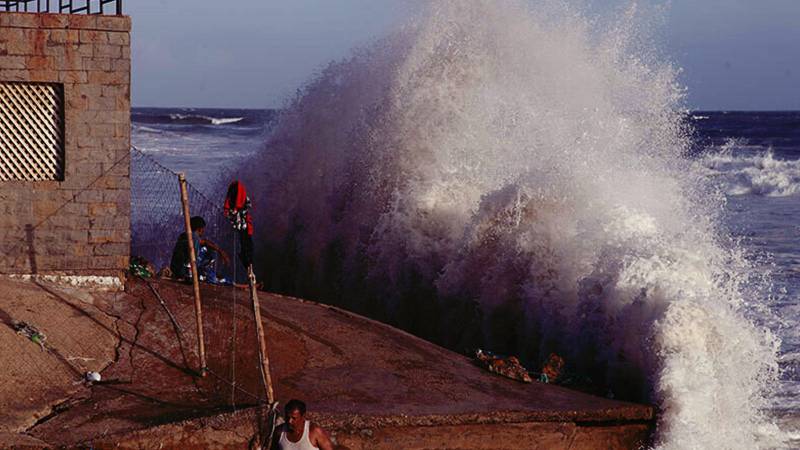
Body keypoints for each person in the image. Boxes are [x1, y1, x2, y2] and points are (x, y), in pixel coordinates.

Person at [169, 216, 230, 282]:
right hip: (184, 271)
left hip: (176, 269)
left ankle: (204, 274)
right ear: (200, 229)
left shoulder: (186, 236)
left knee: (207, 247)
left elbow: (204, 242)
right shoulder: (194, 238)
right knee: (208, 251)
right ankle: (204, 274)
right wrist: (220, 252)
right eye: (203, 229)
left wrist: (220, 251)